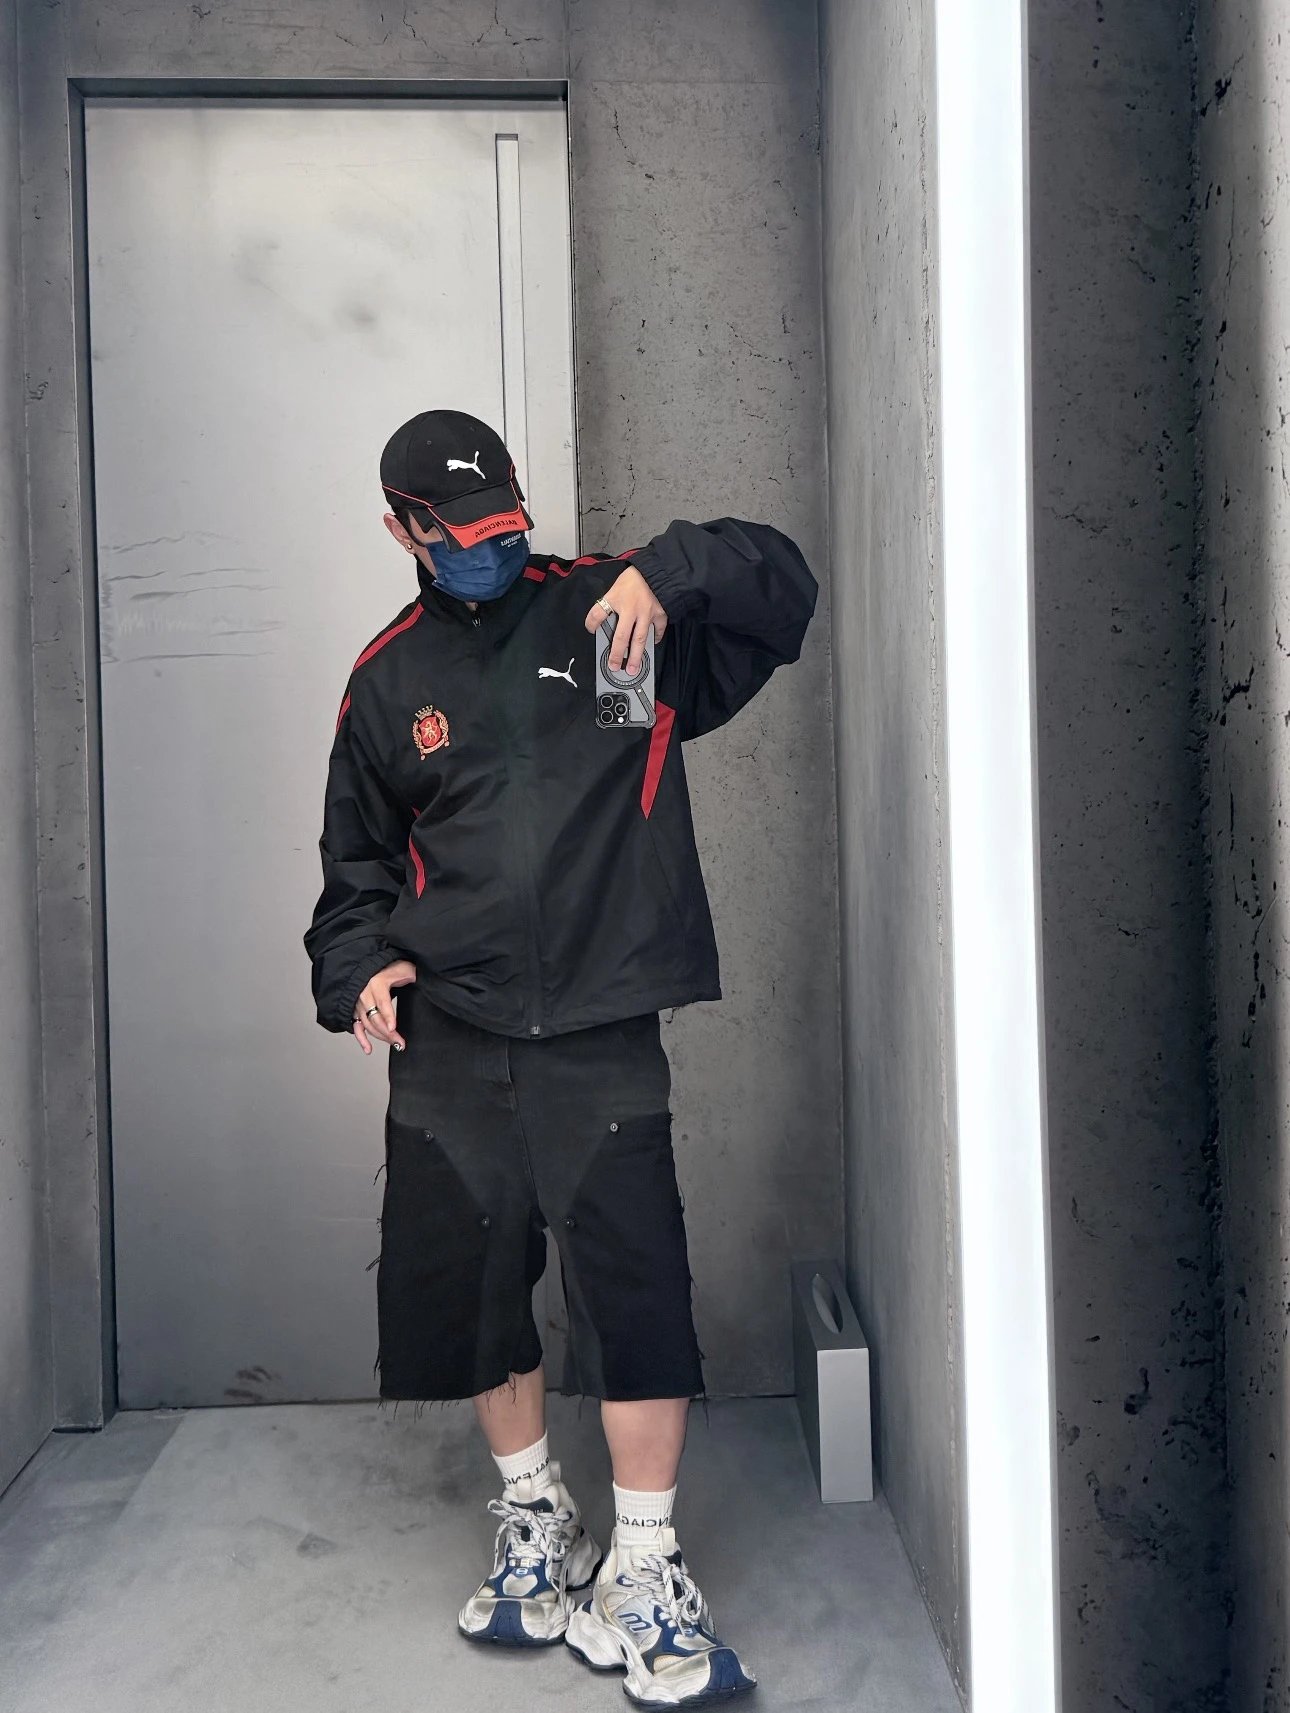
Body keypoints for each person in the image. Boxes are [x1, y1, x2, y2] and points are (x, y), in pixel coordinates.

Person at [303, 408, 817, 1707]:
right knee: (482, 1292)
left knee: (636, 1293)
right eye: (459, 532)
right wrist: (359, 971)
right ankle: (536, 1517)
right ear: (404, 532)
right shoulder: (385, 681)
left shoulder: (610, 612)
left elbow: (784, 587)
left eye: (503, 523)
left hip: (600, 1022)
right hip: (453, 1032)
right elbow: (354, 871)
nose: (488, 547)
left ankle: (644, 1565)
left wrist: (669, 571)